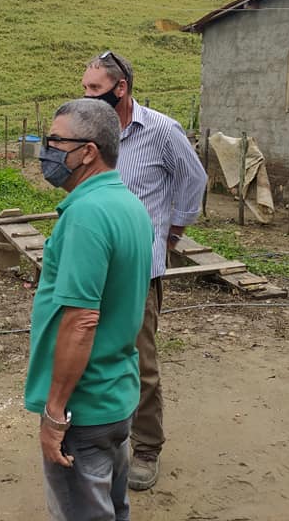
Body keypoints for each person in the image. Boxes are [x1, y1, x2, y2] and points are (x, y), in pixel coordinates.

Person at [82, 51, 207, 490]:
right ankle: (100, 437)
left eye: (95, 89)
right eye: (84, 89)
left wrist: (171, 233)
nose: (87, 97)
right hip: (92, 264)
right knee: (89, 353)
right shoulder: (88, 129)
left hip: (138, 269)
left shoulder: (161, 130)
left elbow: (195, 180)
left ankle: (147, 446)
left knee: (139, 361)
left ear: (122, 88)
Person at [25, 98, 154, 521]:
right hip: (117, 391)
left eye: (56, 141)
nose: (47, 150)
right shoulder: (129, 205)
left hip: (85, 406)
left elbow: (81, 320)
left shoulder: (86, 215)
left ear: (88, 152)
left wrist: (55, 413)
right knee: (113, 507)